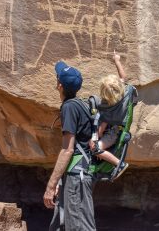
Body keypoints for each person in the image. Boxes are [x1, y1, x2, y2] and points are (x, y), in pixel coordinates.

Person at [44, 61, 95, 231]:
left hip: (76, 176)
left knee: (79, 227)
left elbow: (68, 149)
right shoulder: (81, 104)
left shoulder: (70, 108)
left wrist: (51, 186)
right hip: (76, 174)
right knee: (61, 224)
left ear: (59, 85)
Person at [90, 51, 129, 179]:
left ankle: (119, 164)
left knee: (95, 148)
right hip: (118, 128)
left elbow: (100, 131)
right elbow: (124, 78)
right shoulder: (124, 95)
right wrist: (117, 60)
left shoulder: (106, 109)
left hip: (111, 134)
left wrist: (93, 139)